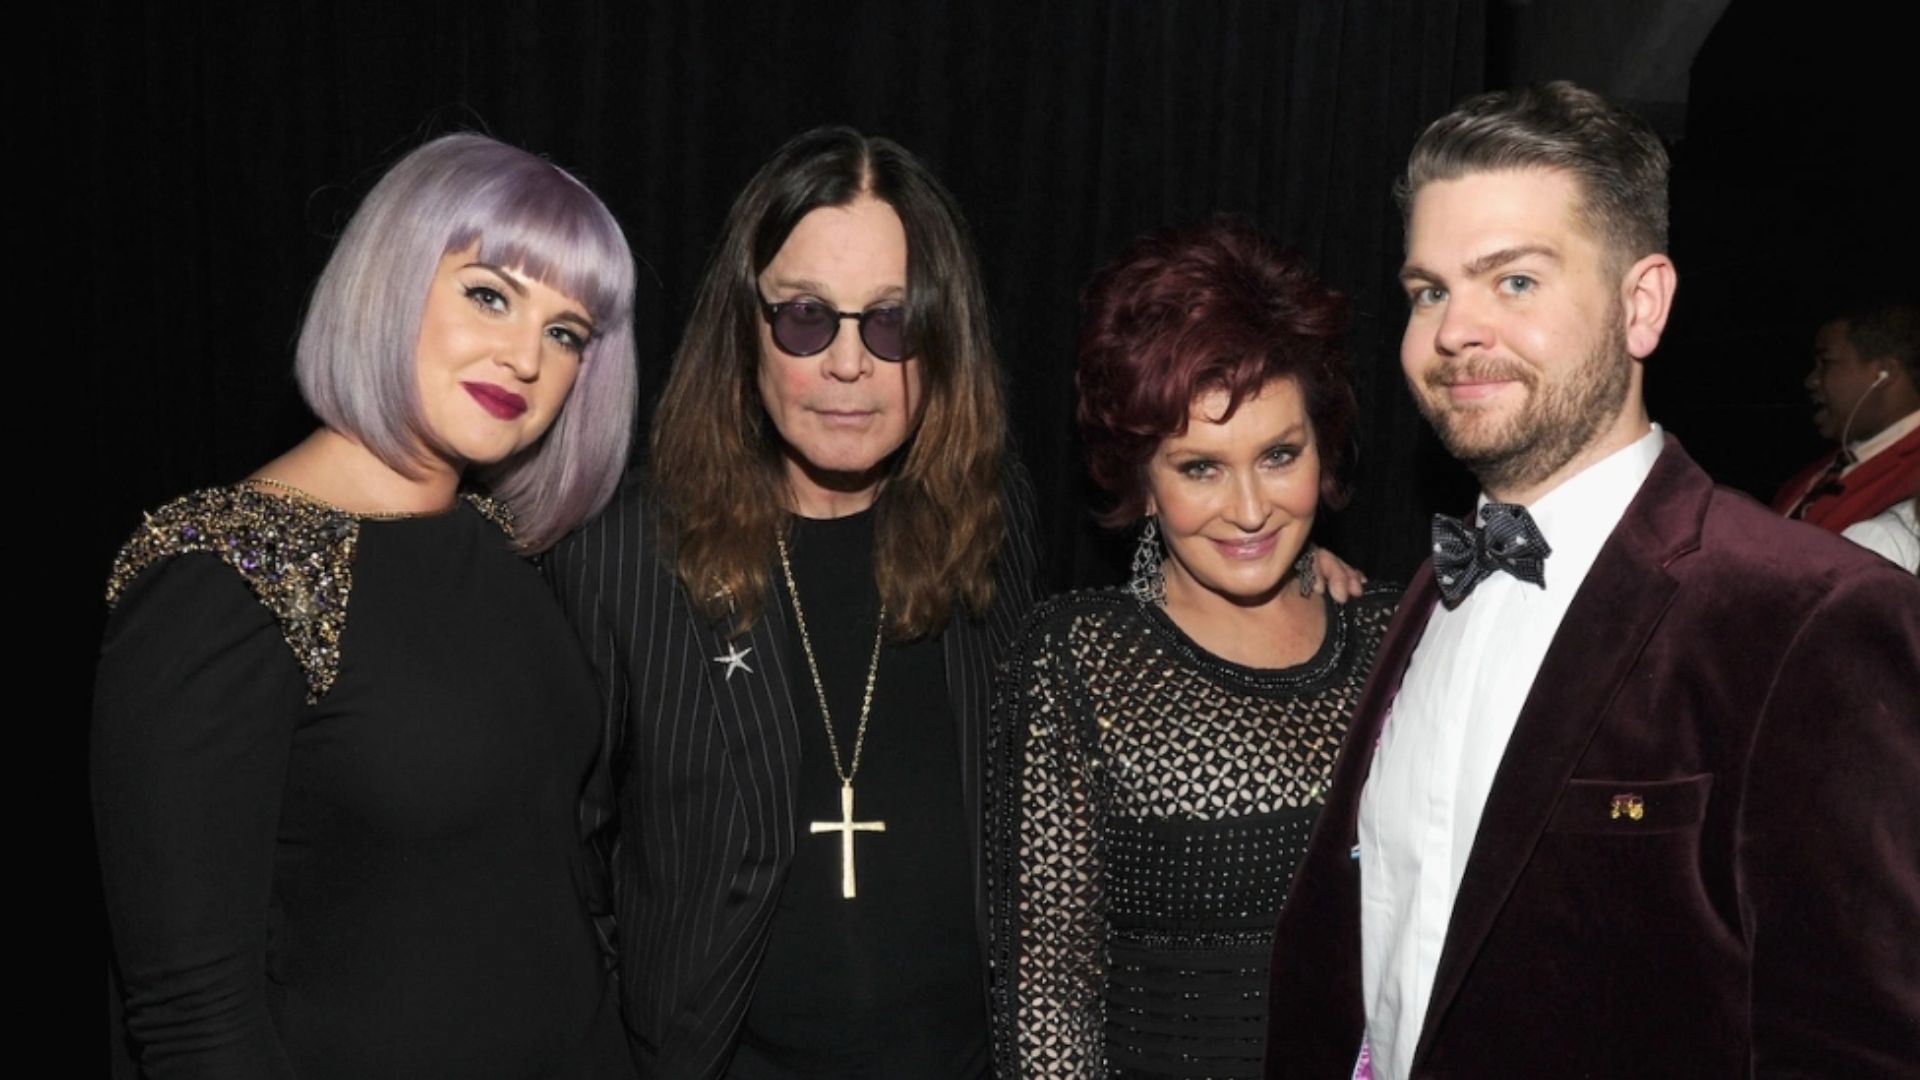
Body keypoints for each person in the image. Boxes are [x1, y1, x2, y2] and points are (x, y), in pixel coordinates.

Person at [1264, 82, 1920, 1078]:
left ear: (1640, 303)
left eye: (1514, 281)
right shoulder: (1423, 595)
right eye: (1429, 290)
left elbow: (1856, 1044)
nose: (1453, 331)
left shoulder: (1810, 618)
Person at [93, 134, 640, 1079]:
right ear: (389, 279)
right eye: (489, 293)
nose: (524, 358)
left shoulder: (501, 548)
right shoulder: (222, 578)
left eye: (566, 333)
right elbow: (194, 1019)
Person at [544, 127, 1041, 1080]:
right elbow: (563, 864)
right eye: (807, 318)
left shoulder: (997, 515)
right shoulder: (623, 554)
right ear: (746, 325)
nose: (848, 365)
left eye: (892, 322)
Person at [987, 219, 1397, 1079]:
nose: (1249, 511)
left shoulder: (1395, 640)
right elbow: (1048, 1006)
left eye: (1279, 455)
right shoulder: (1081, 660)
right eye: (1200, 468)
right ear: (1141, 479)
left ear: (1324, 452)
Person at [1772, 300, 1919, 533]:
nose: (1811, 380)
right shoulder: (1815, 473)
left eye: (1825, 362)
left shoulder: (1913, 477)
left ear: (1884, 373)